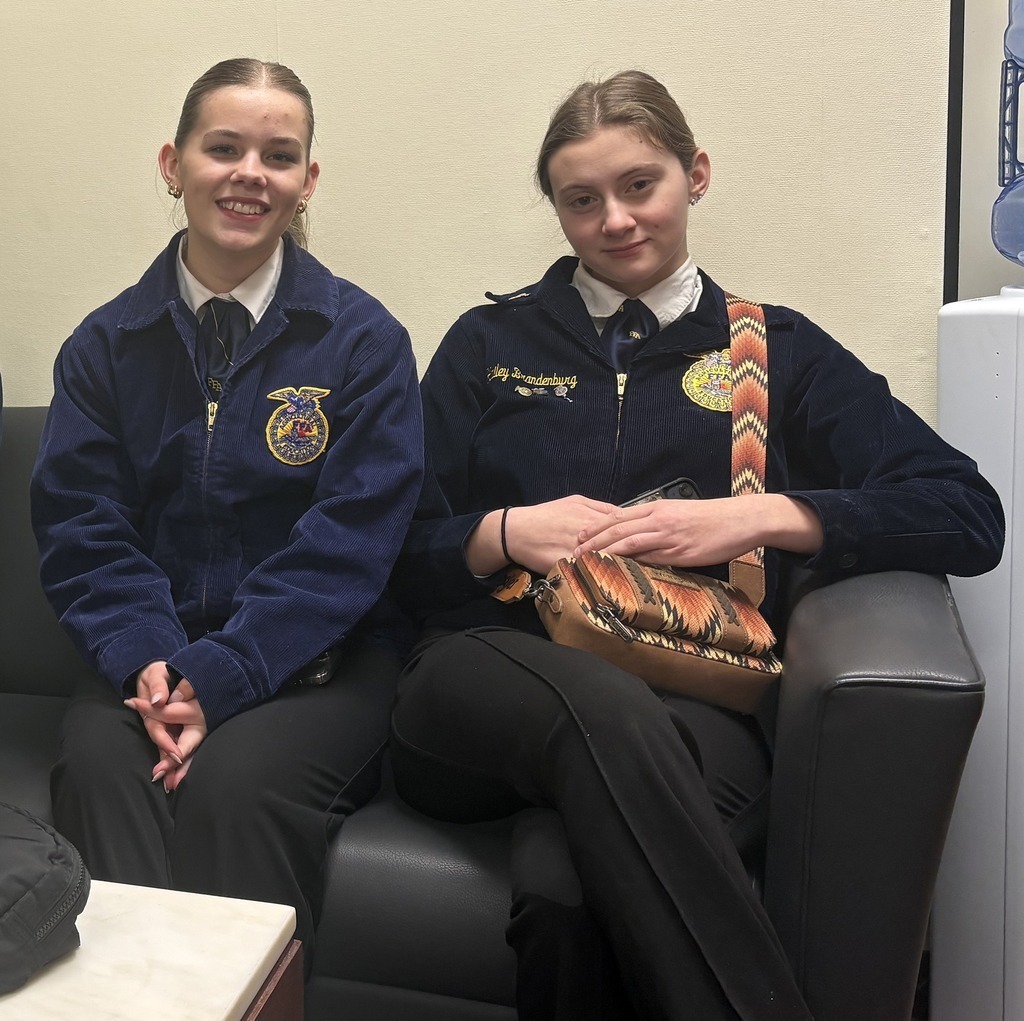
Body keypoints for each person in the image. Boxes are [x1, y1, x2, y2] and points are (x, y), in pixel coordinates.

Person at [388, 70, 1005, 1021]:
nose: (616, 220)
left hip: (698, 694)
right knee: (600, 710)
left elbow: (968, 511)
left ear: (696, 175)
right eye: (581, 200)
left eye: (642, 185)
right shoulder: (485, 345)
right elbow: (396, 552)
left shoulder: (775, 348)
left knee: (565, 896)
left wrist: (758, 515)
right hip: (479, 681)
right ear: (556, 211)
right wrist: (506, 532)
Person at [31, 58, 423, 967]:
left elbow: (350, 544)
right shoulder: (103, 345)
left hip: (321, 663)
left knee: (235, 787)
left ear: (306, 182)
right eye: (225, 147)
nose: (251, 172)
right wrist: (156, 669)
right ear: (174, 163)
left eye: (279, 155)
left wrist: (226, 671)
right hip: (145, 659)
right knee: (101, 767)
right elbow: (84, 531)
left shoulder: (365, 343)